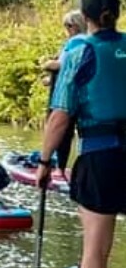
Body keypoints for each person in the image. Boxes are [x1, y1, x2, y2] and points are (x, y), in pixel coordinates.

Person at [36, 0, 126, 268]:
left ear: (85, 16)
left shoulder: (78, 49)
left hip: (101, 158)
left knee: (95, 251)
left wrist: (43, 163)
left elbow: (60, 117)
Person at [40, 9, 87, 169]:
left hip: (70, 97)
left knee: (62, 131)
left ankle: (57, 166)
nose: (66, 30)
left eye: (68, 26)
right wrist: (50, 80)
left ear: (76, 26)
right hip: (80, 94)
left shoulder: (76, 42)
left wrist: (46, 65)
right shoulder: (87, 42)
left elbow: (62, 65)